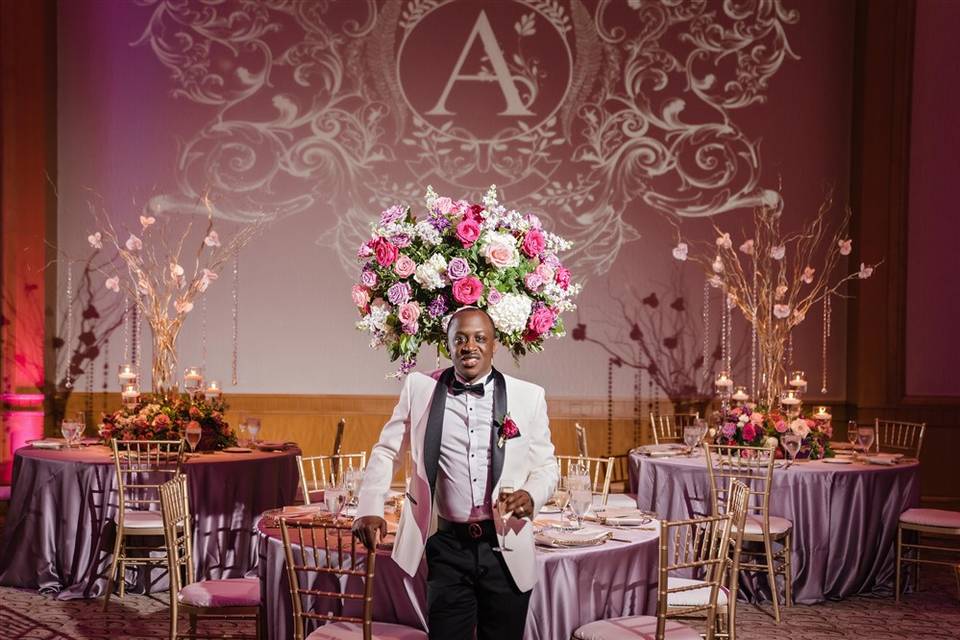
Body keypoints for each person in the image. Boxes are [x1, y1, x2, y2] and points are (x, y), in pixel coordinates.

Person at [353, 307, 559, 640]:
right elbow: (386, 449)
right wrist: (370, 508)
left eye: (480, 338)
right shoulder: (419, 389)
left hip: (505, 546)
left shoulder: (528, 397)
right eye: (460, 338)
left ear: (494, 346)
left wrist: (532, 494)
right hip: (447, 547)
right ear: (448, 345)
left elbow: (548, 467)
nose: (469, 346)